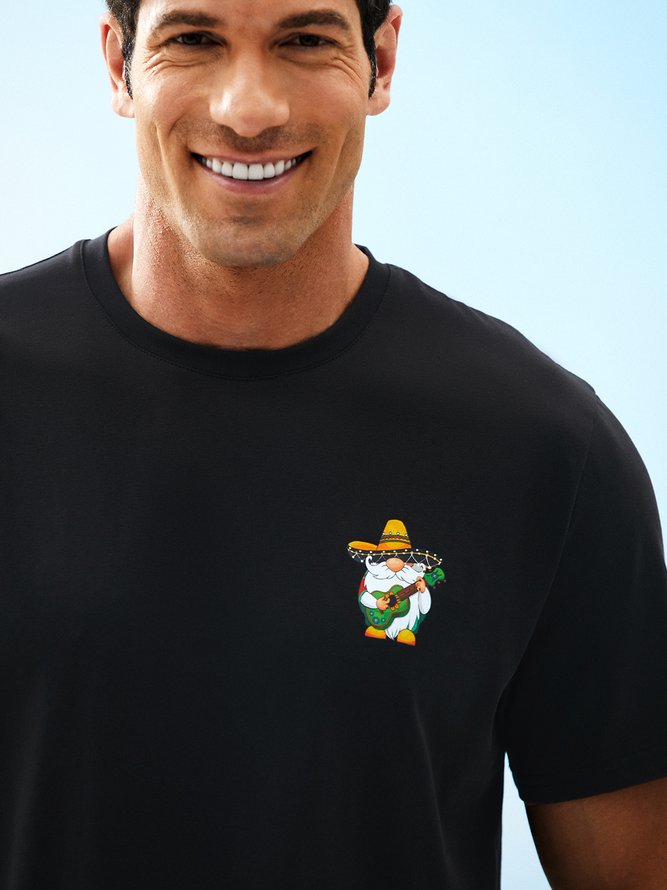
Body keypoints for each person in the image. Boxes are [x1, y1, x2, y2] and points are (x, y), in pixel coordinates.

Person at [1, 1, 666, 887]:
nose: (248, 109)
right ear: (118, 62)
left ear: (381, 61)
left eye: (304, 40)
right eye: (192, 40)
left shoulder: (547, 448)